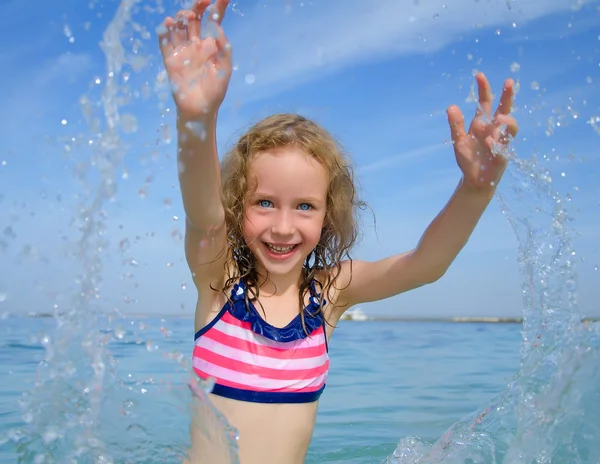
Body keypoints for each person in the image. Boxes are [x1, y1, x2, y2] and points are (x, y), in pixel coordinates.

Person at [158, 1, 519, 463]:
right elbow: (203, 215)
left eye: (304, 206)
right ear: (237, 206)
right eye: (264, 203)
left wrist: (473, 192)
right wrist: (196, 119)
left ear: (329, 215)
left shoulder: (329, 294)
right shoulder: (218, 283)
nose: (283, 226)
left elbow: (425, 266)